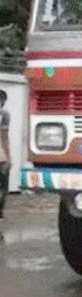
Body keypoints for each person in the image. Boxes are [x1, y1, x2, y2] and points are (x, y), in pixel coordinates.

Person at [0, 90, 10, 225]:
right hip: (1, 157)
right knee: (3, 186)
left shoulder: (4, 115)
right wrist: (8, 157)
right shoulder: (4, 115)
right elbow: (4, 137)